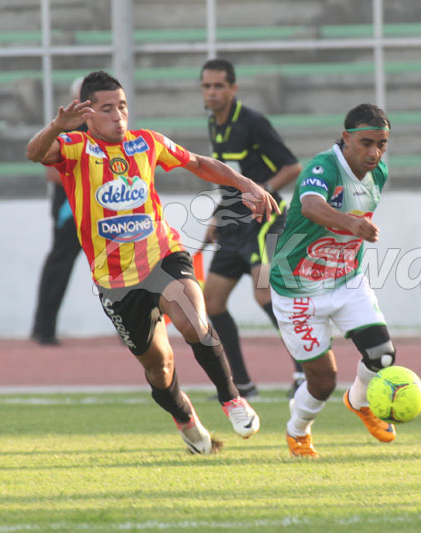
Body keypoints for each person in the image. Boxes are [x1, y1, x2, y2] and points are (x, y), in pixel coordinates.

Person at [26, 70, 280, 455]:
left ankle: (232, 399)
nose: (118, 116)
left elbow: (198, 163)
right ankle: (186, 418)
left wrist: (247, 184)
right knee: (159, 368)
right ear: (88, 114)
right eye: (107, 109)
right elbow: (35, 153)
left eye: (122, 106)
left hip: (163, 257)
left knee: (194, 322)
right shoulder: (75, 147)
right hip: (116, 281)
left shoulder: (146, 142)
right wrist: (56, 126)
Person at [269, 103, 396, 458]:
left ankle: (360, 401)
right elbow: (311, 206)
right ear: (346, 138)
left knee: (382, 356)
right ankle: (297, 430)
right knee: (323, 381)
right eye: (366, 143)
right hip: (297, 289)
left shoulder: (379, 172)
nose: (374, 153)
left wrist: (352, 231)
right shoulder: (323, 167)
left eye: (381, 144)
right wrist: (352, 224)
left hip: (346, 280)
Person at [199, 58, 306, 399]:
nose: (212, 92)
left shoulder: (253, 122)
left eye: (219, 86)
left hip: (266, 222)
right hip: (233, 226)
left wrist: (261, 192)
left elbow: (292, 167)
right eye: (207, 86)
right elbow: (229, 179)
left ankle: (306, 371)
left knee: (265, 292)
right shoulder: (214, 124)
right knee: (212, 301)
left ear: (233, 88)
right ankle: (242, 384)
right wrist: (218, 216)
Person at [30, 77, 86, 346]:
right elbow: (51, 173)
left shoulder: (106, 128)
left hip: (103, 210)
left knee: (121, 267)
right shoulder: (65, 128)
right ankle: (43, 328)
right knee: (59, 265)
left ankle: (132, 328)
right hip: (70, 211)